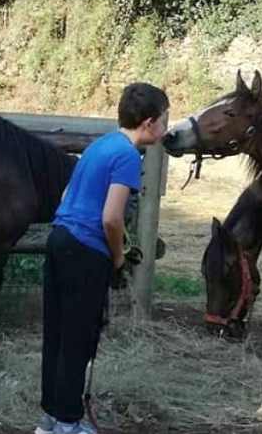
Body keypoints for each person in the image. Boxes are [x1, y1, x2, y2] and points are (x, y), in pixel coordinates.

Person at [35, 83, 169, 434]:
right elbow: (111, 217)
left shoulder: (101, 145)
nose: (166, 129)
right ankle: (67, 422)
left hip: (60, 239)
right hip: (85, 250)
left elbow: (67, 192)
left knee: (59, 334)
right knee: (79, 338)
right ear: (149, 122)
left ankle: (50, 417)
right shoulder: (127, 155)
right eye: (165, 121)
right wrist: (117, 259)